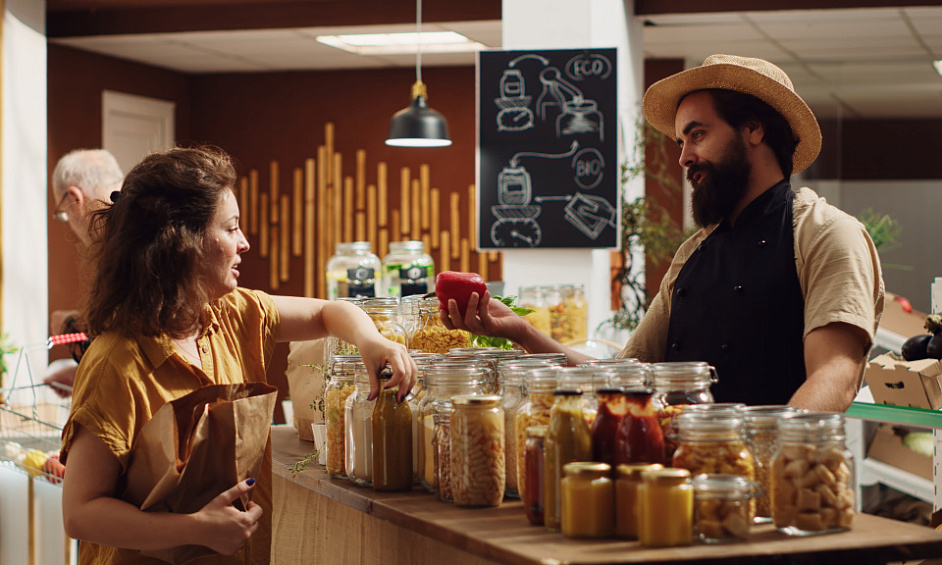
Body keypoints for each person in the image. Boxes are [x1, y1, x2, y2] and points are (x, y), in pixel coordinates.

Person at [442, 54, 884, 412]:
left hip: (779, 483)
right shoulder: (693, 254)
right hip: (678, 476)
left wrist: (763, 461)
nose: (684, 158)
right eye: (680, 142)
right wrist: (522, 332)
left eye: (697, 135)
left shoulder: (825, 234)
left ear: (753, 129)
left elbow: (836, 374)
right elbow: (625, 376)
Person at [59, 145, 417, 564]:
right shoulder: (115, 363)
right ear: (182, 242)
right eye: (231, 229)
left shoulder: (236, 314)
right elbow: (80, 513)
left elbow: (328, 312)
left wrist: (371, 340)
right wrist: (196, 529)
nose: (244, 243)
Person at [45, 149, 125, 396]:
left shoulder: (124, 246)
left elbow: (133, 344)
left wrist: (70, 323)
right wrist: (81, 373)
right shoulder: (145, 219)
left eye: (63, 214)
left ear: (74, 198)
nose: (69, 224)